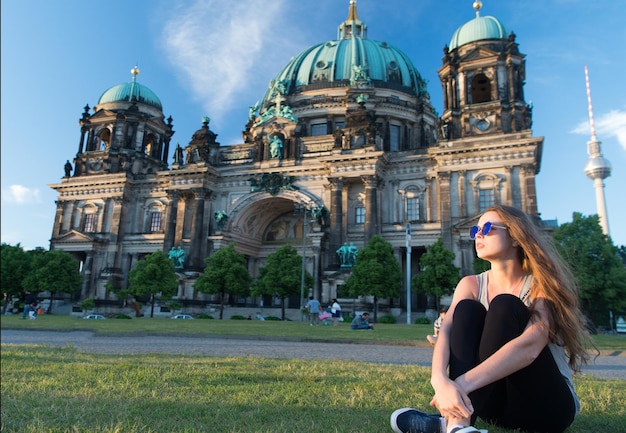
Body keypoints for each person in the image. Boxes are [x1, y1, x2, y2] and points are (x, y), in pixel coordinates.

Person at [391, 205, 594, 433]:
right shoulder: (470, 284)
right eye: (476, 230)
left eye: (487, 228)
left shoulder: (541, 284)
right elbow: (445, 332)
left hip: (547, 407)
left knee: (504, 305)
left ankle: (444, 424)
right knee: (466, 309)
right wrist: (439, 380)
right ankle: (457, 425)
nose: (478, 234)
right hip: (494, 409)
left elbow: (530, 347)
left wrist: (459, 385)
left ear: (516, 237)